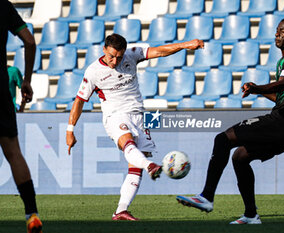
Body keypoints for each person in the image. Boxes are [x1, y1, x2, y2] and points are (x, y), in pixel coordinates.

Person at [176, 17, 284, 224]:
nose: (277, 34)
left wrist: (257, 87)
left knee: (223, 139)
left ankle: (206, 196)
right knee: (240, 157)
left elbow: (282, 84)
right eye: (276, 30)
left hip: (282, 122)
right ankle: (250, 214)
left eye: (282, 31)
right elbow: (282, 95)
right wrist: (258, 91)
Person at [66, 33, 204, 221]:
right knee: (128, 143)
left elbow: (160, 51)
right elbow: (80, 100)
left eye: (119, 57)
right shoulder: (93, 72)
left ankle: (121, 210)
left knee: (135, 166)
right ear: (104, 49)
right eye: (111, 56)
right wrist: (70, 129)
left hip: (139, 115)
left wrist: (187, 44)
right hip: (114, 115)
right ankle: (151, 166)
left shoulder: (132, 53)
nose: (115, 61)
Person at [0, 1, 43, 232]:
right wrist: (26, 80)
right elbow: (29, 40)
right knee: (13, 152)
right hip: (0, 89)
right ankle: (32, 214)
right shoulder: (4, 5)